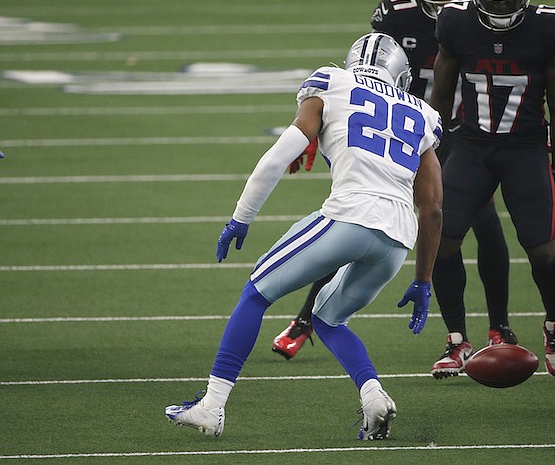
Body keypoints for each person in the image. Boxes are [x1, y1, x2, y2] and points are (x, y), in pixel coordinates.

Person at [165, 33, 443, 440]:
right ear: (400, 77)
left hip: (349, 215)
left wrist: (241, 218)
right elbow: (433, 208)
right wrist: (423, 280)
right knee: (329, 320)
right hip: (399, 235)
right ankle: (373, 396)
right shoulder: (423, 113)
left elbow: (279, 155)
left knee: (256, 294)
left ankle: (212, 406)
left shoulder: (332, 82)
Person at [272, 0, 515, 366]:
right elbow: (365, 77)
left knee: (483, 221)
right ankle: (306, 319)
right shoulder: (396, 15)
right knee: (349, 218)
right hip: (401, 134)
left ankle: (498, 328)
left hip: (461, 133)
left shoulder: (483, 20)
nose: (443, 0)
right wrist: (314, 132)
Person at [428, 0, 555, 379]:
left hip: (526, 147)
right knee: (442, 237)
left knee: (541, 246)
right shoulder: (455, 21)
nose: (501, 5)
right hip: (471, 145)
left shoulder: (548, 29)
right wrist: (431, 153)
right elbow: (440, 92)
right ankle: (456, 340)